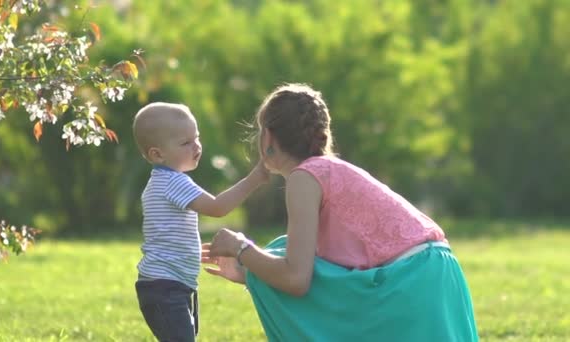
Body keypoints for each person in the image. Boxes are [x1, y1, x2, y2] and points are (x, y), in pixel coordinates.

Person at [202, 83, 479, 341]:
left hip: (411, 282)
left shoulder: (304, 177)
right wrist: (249, 270)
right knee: (282, 249)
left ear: (269, 137)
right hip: (439, 275)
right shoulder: (327, 169)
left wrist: (241, 248)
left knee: (283, 256)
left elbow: (296, 280)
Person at [132, 102, 269, 342]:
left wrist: (191, 250)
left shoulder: (161, 182)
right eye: (185, 143)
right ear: (157, 154)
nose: (196, 146)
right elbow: (217, 208)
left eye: (196, 138)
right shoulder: (174, 182)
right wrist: (255, 178)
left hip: (168, 285)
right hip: (166, 288)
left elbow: (166, 231)